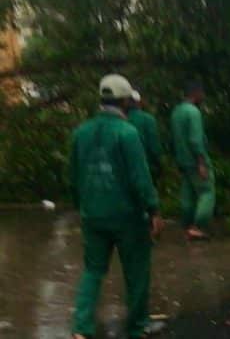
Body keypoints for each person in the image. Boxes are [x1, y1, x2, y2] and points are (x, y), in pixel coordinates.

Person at [69, 74, 162, 339]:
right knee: (136, 271)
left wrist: (83, 208)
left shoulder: (81, 132)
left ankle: (81, 328)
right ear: (125, 101)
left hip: (92, 215)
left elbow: (72, 178)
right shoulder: (127, 133)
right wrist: (153, 210)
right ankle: (137, 326)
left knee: (92, 271)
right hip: (127, 217)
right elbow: (140, 179)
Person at [171, 80, 214, 240]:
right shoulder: (193, 112)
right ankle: (198, 226)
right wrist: (201, 162)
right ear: (196, 93)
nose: (203, 96)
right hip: (196, 161)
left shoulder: (176, 111)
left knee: (187, 194)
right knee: (206, 192)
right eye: (202, 93)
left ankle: (187, 226)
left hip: (182, 161)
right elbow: (195, 140)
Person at [128, 90, 163, 179]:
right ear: (140, 102)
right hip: (146, 167)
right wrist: (159, 163)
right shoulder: (148, 119)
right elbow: (154, 147)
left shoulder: (120, 119)